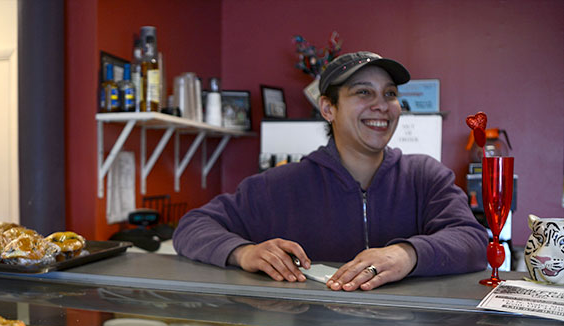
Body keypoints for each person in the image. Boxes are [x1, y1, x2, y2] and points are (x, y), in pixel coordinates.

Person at [173, 51, 487, 292]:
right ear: (328, 108)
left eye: (390, 94)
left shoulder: (424, 176)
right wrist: (244, 252)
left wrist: (407, 254)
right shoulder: (280, 185)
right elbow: (192, 227)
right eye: (364, 92)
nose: (382, 105)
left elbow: (472, 241)